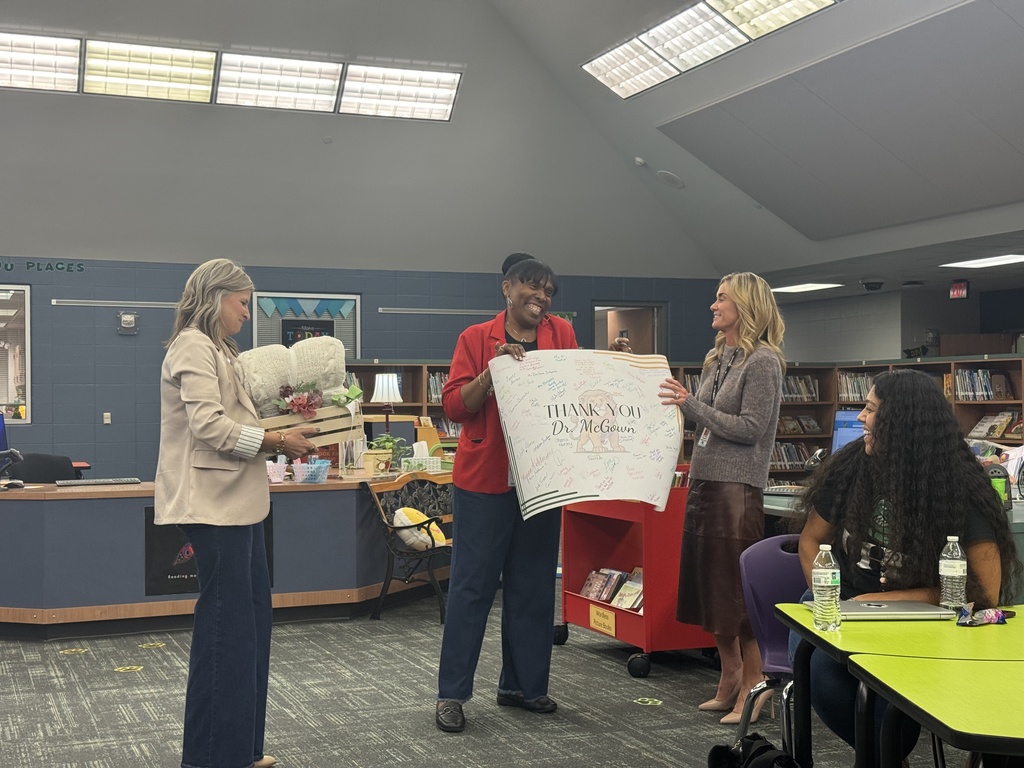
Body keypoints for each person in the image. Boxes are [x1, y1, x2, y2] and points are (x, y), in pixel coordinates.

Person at [793, 368, 1022, 762]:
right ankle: (882, 756)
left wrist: (879, 603)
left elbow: (986, 592)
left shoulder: (958, 485)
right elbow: (810, 541)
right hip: (845, 608)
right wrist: (833, 602)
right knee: (817, 664)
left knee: (889, 709)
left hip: (925, 624)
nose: (860, 417)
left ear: (900, 422)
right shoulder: (851, 467)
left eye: (870, 409)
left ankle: (884, 754)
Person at [155, 259, 318, 768]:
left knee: (249, 629)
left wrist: (292, 417)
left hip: (238, 503)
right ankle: (211, 759)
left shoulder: (222, 349)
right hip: (212, 505)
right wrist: (277, 440)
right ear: (216, 296)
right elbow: (208, 425)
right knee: (226, 633)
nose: (248, 313)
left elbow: (236, 418)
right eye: (243, 302)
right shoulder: (192, 345)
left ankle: (241, 750)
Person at [435, 256, 578, 733]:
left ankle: (522, 686)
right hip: (485, 482)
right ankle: (452, 693)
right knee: (472, 588)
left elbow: (577, 390)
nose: (541, 298)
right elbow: (454, 406)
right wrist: (490, 373)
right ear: (507, 288)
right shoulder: (476, 338)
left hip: (542, 480)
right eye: (532, 287)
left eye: (548, 291)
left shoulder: (562, 334)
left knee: (534, 586)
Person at [659, 272, 785, 725]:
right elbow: (704, 420)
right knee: (708, 587)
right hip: (704, 483)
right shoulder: (718, 357)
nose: (713, 306)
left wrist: (690, 404)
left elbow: (751, 429)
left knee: (735, 592)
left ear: (745, 306)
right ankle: (730, 673)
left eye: (722, 298)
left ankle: (755, 682)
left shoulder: (763, 362)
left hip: (737, 490)